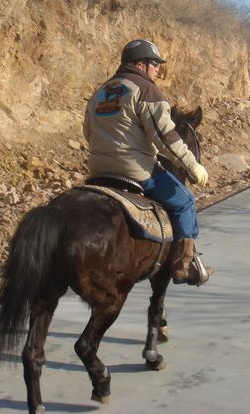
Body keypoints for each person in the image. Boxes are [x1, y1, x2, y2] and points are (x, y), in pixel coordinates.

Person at [83, 39, 214, 286]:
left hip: (98, 170)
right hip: (135, 170)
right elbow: (165, 136)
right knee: (184, 201)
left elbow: (88, 132)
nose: (157, 70)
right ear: (141, 64)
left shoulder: (100, 92)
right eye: (155, 64)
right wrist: (191, 165)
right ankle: (184, 265)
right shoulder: (145, 90)